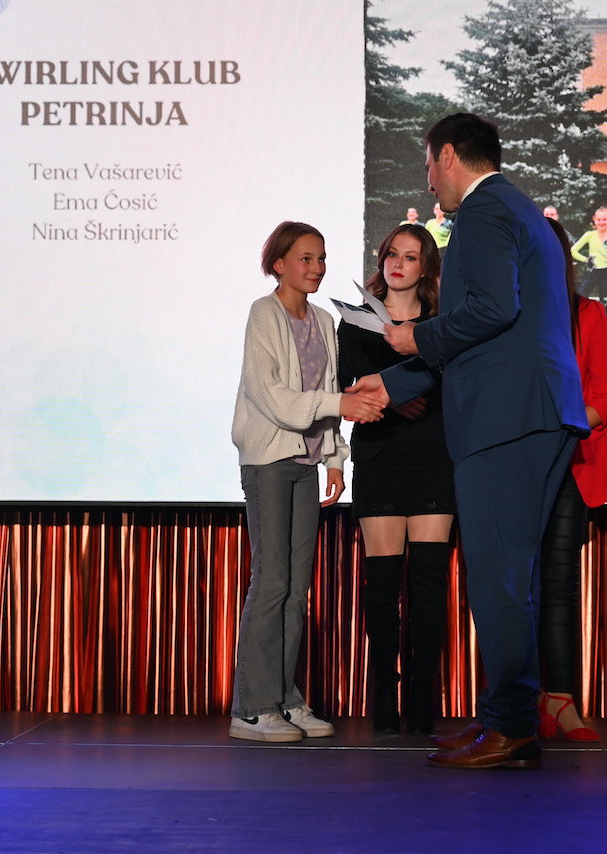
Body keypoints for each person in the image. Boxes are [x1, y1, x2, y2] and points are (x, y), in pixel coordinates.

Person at [347, 113, 588, 770]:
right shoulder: (516, 209)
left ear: (448, 155)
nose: (429, 181)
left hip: (508, 418)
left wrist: (414, 337)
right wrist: (389, 385)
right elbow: (489, 334)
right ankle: (505, 716)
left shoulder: (484, 211)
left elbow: (488, 312)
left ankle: (511, 728)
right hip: (531, 410)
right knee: (511, 574)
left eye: (428, 164)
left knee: (499, 576)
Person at [229, 221, 383, 743]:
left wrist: (335, 457)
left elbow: (328, 391)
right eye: (305, 258)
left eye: (321, 258)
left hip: (307, 461)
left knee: (296, 590)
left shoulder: (321, 320)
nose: (316, 268)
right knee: (272, 582)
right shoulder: (263, 313)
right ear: (278, 264)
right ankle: (252, 707)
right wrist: (340, 405)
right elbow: (271, 396)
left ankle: (284, 699)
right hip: (270, 460)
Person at [336, 224, 455, 734]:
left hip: (434, 457)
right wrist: (391, 399)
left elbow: (455, 382)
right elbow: (344, 388)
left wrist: (405, 389)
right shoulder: (354, 322)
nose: (398, 264)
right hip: (380, 457)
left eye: (410, 256)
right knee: (383, 586)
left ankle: (422, 698)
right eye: (391, 254)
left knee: (428, 585)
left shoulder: (443, 323)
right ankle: (384, 693)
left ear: (426, 268)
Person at [537, 218, 607, 742]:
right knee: (514, 585)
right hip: (515, 468)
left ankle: (561, 699)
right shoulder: (506, 318)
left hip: (572, 462)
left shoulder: (588, 315)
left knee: (558, 582)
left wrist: (562, 427)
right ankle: (516, 702)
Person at [570, 206, 607, 301]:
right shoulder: (589, 235)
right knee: (581, 298)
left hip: (606, 272)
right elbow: (573, 251)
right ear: (594, 220)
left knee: (605, 300)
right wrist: (586, 260)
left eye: (604, 219)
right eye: (599, 219)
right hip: (591, 271)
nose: (601, 222)